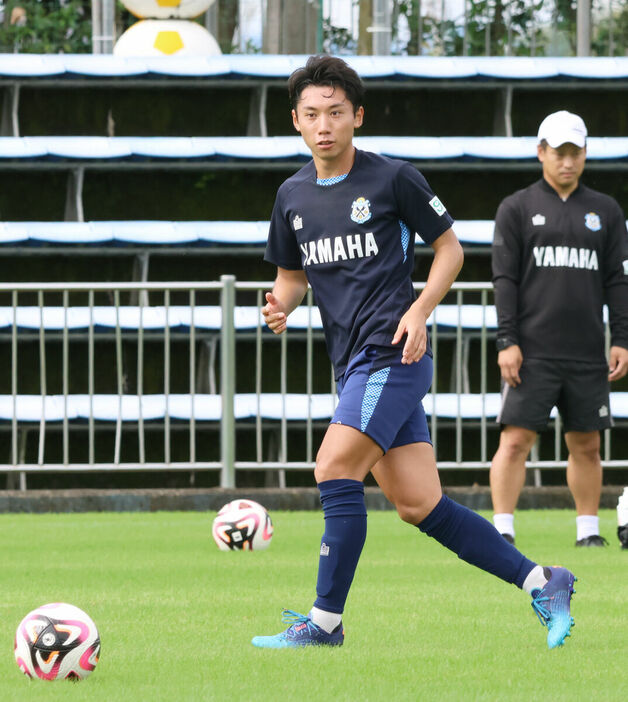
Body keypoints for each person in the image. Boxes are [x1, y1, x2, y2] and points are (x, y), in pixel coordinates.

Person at [254, 55, 576, 651]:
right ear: (295, 122)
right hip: (352, 362)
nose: (324, 124)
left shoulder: (392, 178)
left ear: (357, 117)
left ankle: (324, 624)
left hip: (392, 351)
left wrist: (419, 308)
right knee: (418, 504)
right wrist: (281, 305)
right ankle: (544, 581)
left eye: (336, 112)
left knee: (332, 468)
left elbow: (450, 250)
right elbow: (292, 277)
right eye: (311, 115)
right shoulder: (292, 195)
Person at [490, 110, 628, 547]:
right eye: (558, 152)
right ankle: (502, 530)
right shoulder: (516, 208)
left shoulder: (605, 210)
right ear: (541, 152)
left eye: (575, 152)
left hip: (587, 350)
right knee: (515, 441)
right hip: (531, 351)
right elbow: (505, 280)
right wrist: (507, 341)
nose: (567, 161)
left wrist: (621, 337)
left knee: (586, 444)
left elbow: (617, 280)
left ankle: (588, 531)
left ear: (585, 154)